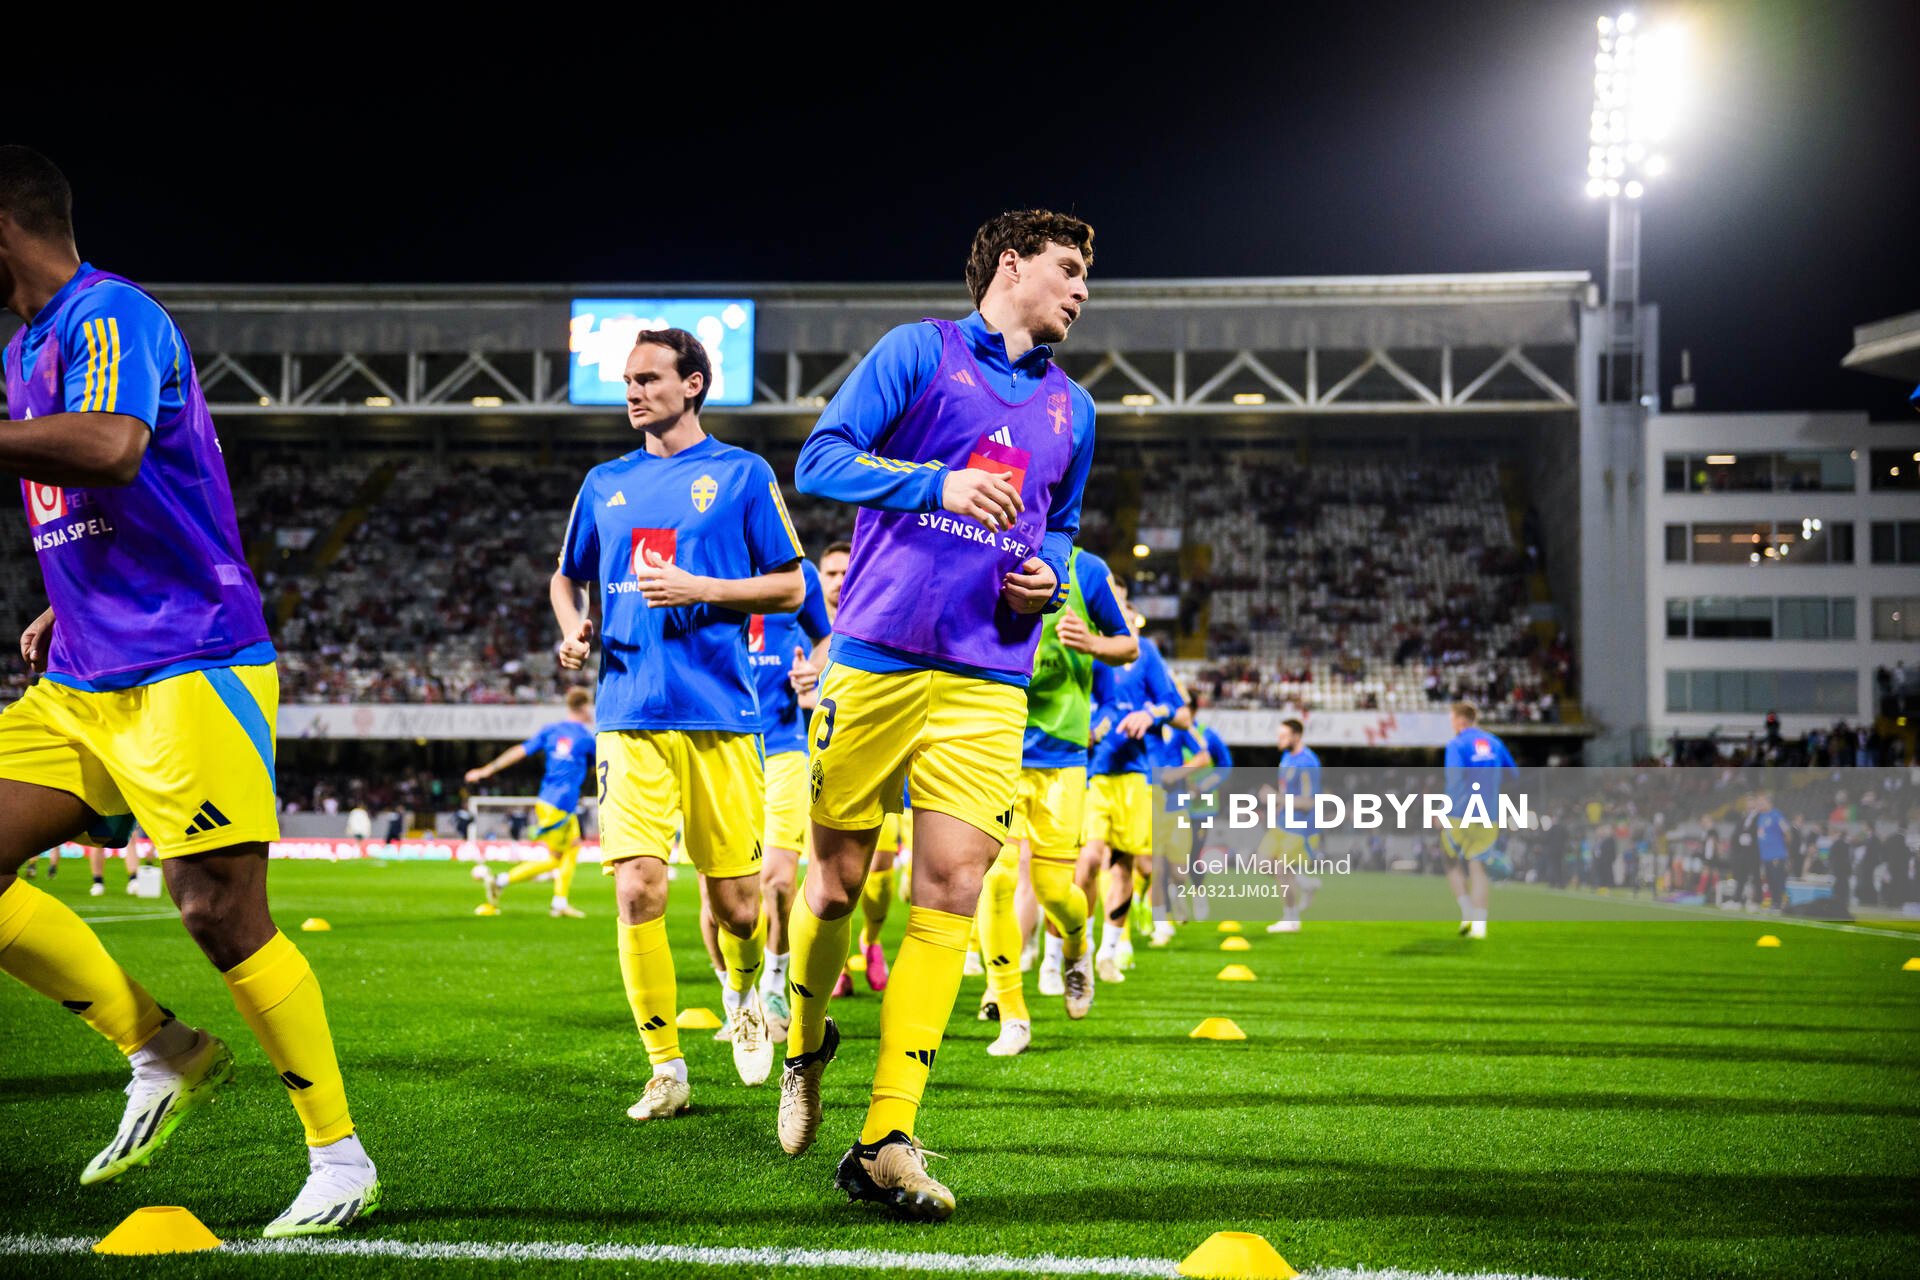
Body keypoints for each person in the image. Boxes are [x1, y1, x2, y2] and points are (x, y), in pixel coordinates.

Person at [0, 146, 377, 1235]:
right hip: (82, 669)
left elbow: (115, 447)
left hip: (188, 659)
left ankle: (339, 1156)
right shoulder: (23, 347)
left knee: (219, 909)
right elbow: (86, 505)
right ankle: (160, 1046)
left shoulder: (109, 315)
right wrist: (57, 599)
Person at [783, 209, 1096, 1219]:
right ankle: (802, 1045)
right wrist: (939, 480)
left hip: (987, 676)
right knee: (831, 881)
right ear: (1012, 265)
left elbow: (1067, 532)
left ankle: (886, 1135)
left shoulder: (1075, 409)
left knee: (953, 887)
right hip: (872, 653)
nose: (1082, 290)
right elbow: (821, 460)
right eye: (1070, 268)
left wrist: (1044, 582)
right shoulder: (918, 350)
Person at [551, 326, 804, 1119]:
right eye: (627, 380)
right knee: (637, 888)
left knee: (735, 906)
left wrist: (702, 587)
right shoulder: (603, 482)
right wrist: (573, 627)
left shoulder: (742, 475)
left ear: (692, 384)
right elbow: (568, 578)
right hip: (627, 713)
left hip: (723, 716)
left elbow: (791, 589)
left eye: (649, 378)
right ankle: (666, 1067)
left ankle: (741, 994)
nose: (633, 391)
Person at [979, 546, 1135, 1051]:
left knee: (1053, 890)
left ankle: (1076, 943)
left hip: (1061, 757)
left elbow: (1127, 647)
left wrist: (1090, 642)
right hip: (993, 743)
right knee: (997, 881)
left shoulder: (1086, 568)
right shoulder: (984, 547)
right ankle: (1011, 1012)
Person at [816, 541, 898, 999]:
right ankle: (839, 961)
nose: (838, 579)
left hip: (879, 757)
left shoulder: (881, 617)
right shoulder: (803, 624)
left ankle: (871, 939)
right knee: (828, 872)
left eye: (846, 570)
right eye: (829, 573)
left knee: (881, 872)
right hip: (816, 758)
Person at [1082, 626, 1186, 985]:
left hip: (1139, 777)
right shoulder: (1077, 641)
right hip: (1089, 773)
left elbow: (1176, 708)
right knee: (1090, 859)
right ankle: (1074, 950)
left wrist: (1151, 713)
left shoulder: (1143, 652)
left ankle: (1111, 949)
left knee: (1137, 866)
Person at [465, 686, 596, 919]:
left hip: (547, 800)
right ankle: (504, 881)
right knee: (557, 858)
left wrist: (487, 769)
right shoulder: (587, 738)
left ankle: (558, 901)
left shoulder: (551, 730)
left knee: (571, 848)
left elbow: (519, 751)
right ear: (585, 707)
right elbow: (604, 766)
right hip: (560, 804)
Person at [1440, 702, 1516, 939]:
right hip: (1488, 814)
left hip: (1459, 814)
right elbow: (1513, 773)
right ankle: (1480, 926)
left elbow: (1454, 779)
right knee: (1478, 868)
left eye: (1452, 719)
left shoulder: (1457, 744)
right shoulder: (1495, 743)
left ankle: (1466, 913)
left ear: (1460, 720)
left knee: (1450, 861)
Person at [1264, 719, 1321, 934]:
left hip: (1300, 826)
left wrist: (1276, 797)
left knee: (1281, 868)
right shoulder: (1287, 757)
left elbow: (1309, 802)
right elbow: (1287, 793)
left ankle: (1291, 919)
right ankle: (1305, 883)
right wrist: (1277, 805)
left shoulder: (1308, 763)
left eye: (1283, 736)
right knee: (1262, 863)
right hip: (1282, 823)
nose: (1279, 740)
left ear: (1296, 736)